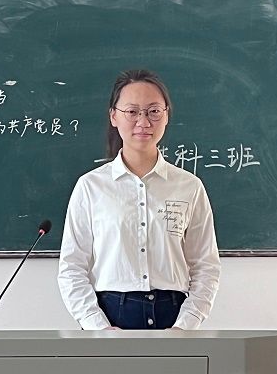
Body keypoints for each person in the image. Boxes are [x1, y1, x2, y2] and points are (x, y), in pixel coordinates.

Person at [57, 69, 220, 330]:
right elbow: (72, 267)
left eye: (153, 111)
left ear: (166, 115)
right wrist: (97, 326)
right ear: (114, 116)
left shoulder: (189, 187)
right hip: (111, 317)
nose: (143, 122)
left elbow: (206, 266)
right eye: (132, 112)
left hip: (174, 317)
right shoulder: (91, 187)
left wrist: (185, 326)